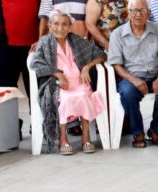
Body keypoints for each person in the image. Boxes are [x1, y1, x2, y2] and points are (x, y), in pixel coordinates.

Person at [30, 10, 106, 155]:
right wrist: (58, 74)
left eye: (64, 24)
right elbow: (36, 63)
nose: (60, 28)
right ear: (50, 26)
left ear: (70, 26)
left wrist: (86, 67)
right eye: (56, 24)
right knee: (64, 99)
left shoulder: (75, 40)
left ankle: (86, 138)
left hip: (79, 82)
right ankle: (63, 139)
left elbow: (101, 55)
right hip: (58, 84)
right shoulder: (45, 42)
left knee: (84, 96)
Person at [107, 0, 158, 149]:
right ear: (128, 12)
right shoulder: (117, 34)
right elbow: (116, 64)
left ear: (149, 13)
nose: (138, 14)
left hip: (155, 75)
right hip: (131, 77)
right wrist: (134, 80)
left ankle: (156, 131)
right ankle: (138, 132)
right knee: (127, 93)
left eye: (142, 10)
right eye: (134, 11)